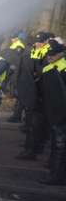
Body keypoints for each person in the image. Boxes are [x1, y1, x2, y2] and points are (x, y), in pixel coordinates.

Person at [16, 32, 54, 161]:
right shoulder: (33, 51)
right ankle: (31, 147)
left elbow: (41, 72)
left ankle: (31, 150)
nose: (38, 44)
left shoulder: (48, 53)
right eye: (37, 42)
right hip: (31, 92)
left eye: (41, 41)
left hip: (40, 94)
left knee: (35, 123)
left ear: (46, 42)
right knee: (31, 122)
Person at [39, 39, 66, 185]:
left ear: (61, 54)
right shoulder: (49, 68)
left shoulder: (61, 68)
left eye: (53, 55)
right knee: (57, 143)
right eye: (49, 55)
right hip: (53, 112)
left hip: (61, 113)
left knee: (60, 144)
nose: (49, 57)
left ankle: (56, 176)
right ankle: (56, 172)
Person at [2, 31, 27, 123]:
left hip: (15, 74)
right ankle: (17, 115)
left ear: (17, 38)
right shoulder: (17, 46)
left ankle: (17, 115)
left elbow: (16, 62)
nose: (12, 39)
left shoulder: (18, 47)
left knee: (19, 96)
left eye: (14, 37)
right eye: (12, 38)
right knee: (19, 97)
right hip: (15, 74)